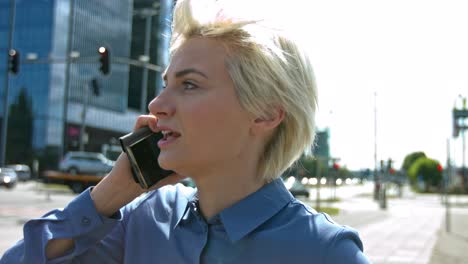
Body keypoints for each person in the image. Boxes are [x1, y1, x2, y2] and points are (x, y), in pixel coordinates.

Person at [1, 0, 369, 263]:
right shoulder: (143, 219)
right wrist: (110, 195)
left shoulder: (326, 251)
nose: (156, 105)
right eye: (165, 84)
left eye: (189, 85)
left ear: (265, 113)